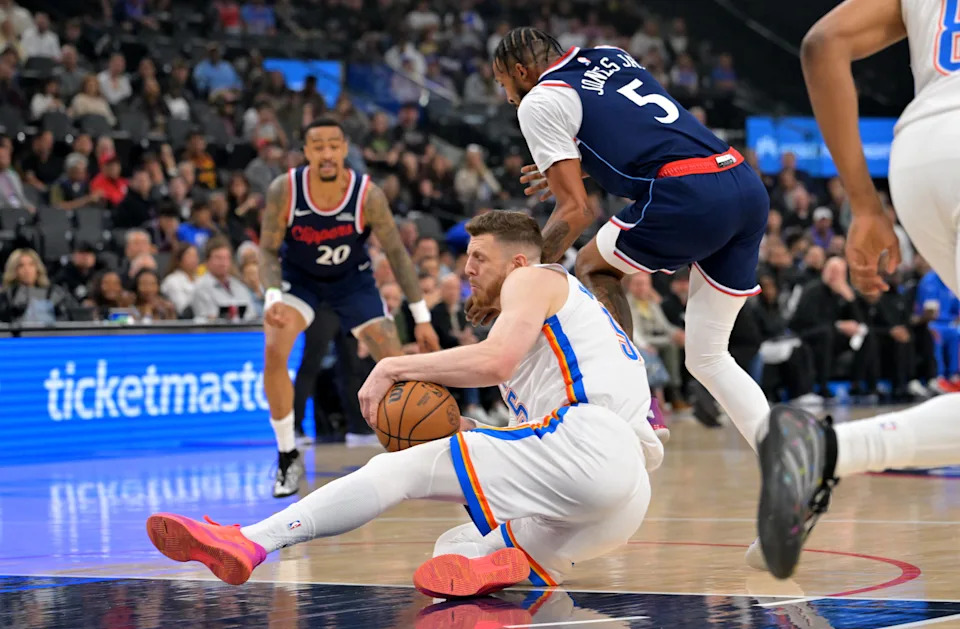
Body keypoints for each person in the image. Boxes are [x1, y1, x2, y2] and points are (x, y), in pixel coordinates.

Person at [145, 209, 662, 597]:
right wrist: (467, 430)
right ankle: (505, 579)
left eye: (479, 257)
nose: (467, 269)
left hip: (588, 446)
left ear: (519, 262)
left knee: (395, 471)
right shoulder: (573, 329)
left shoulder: (536, 278)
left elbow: (495, 361)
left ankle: (253, 539)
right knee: (456, 551)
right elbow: (536, 415)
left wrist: (394, 365)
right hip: (620, 504)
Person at [484, 29, 767, 482]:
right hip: (742, 183)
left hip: (688, 192)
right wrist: (574, 163)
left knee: (592, 265)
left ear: (521, 71)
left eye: (504, 84)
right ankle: (786, 456)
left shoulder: (539, 100)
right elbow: (636, 128)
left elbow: (576, 211)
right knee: (708, 356)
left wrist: (516, 286)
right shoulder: (610, 55)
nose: (507, 96)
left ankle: (636, 411)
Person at [757, 0, 960, 580]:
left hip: (920, 155)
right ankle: (823, 449)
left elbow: (822, 44)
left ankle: (828, 451)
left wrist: (866, 207)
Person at [257, 117, 439, 497]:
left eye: (333, 146)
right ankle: (287, 454)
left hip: (351, 281)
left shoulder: (367, 194)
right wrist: (272, 295)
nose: (326, 153)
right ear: (306, 152)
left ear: (344, 149)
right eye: (318, 146)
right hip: (300, 281)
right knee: (274, 347)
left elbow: (397, 254)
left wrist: (421, 317)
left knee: (395, 359)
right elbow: (269, 250)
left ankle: (419, 453)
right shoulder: (285, 189)